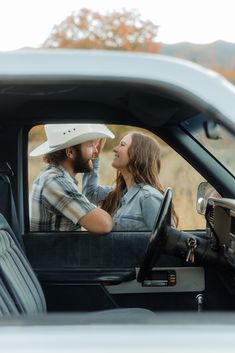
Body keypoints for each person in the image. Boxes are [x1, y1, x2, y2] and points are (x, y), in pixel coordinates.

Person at [29, 123, 115, 234]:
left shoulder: (54, 176)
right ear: (70, 152)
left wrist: (93, 156)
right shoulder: (55, 181)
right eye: (90, 145)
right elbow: (104, 225)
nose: (95, 151)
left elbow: (90, 196)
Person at [83, 132, 176, 231]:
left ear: (138, 153)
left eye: (122, 145)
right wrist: (94, 157)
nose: (115, 149)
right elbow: (91, 193)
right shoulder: (120, 193)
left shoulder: (149, 197)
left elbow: (167, 240)